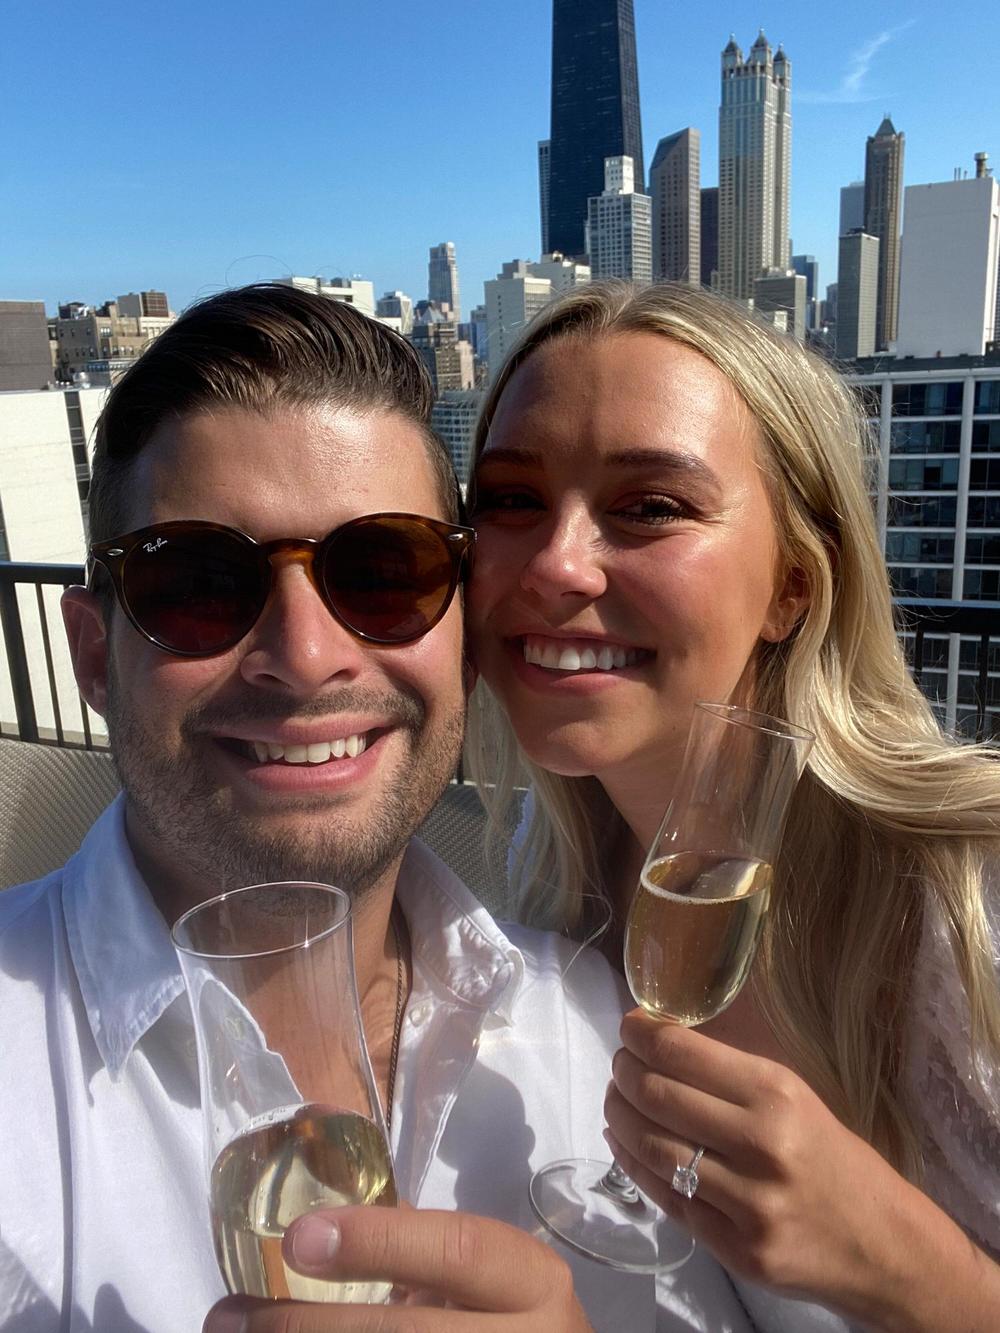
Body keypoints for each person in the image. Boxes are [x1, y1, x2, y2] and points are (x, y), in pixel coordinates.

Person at [0, 283, 759, 1333]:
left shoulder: (589, 1024)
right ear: (94, 654)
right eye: (199, 584)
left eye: (384, 572)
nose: (307, 655)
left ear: (464, 633)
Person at [465, 280, 1000, 1332]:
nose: (556, 565)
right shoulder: (553, 855)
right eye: (510, 500)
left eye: (651, 507)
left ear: (793, 584)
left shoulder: (969, 899)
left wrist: (911, 1267)